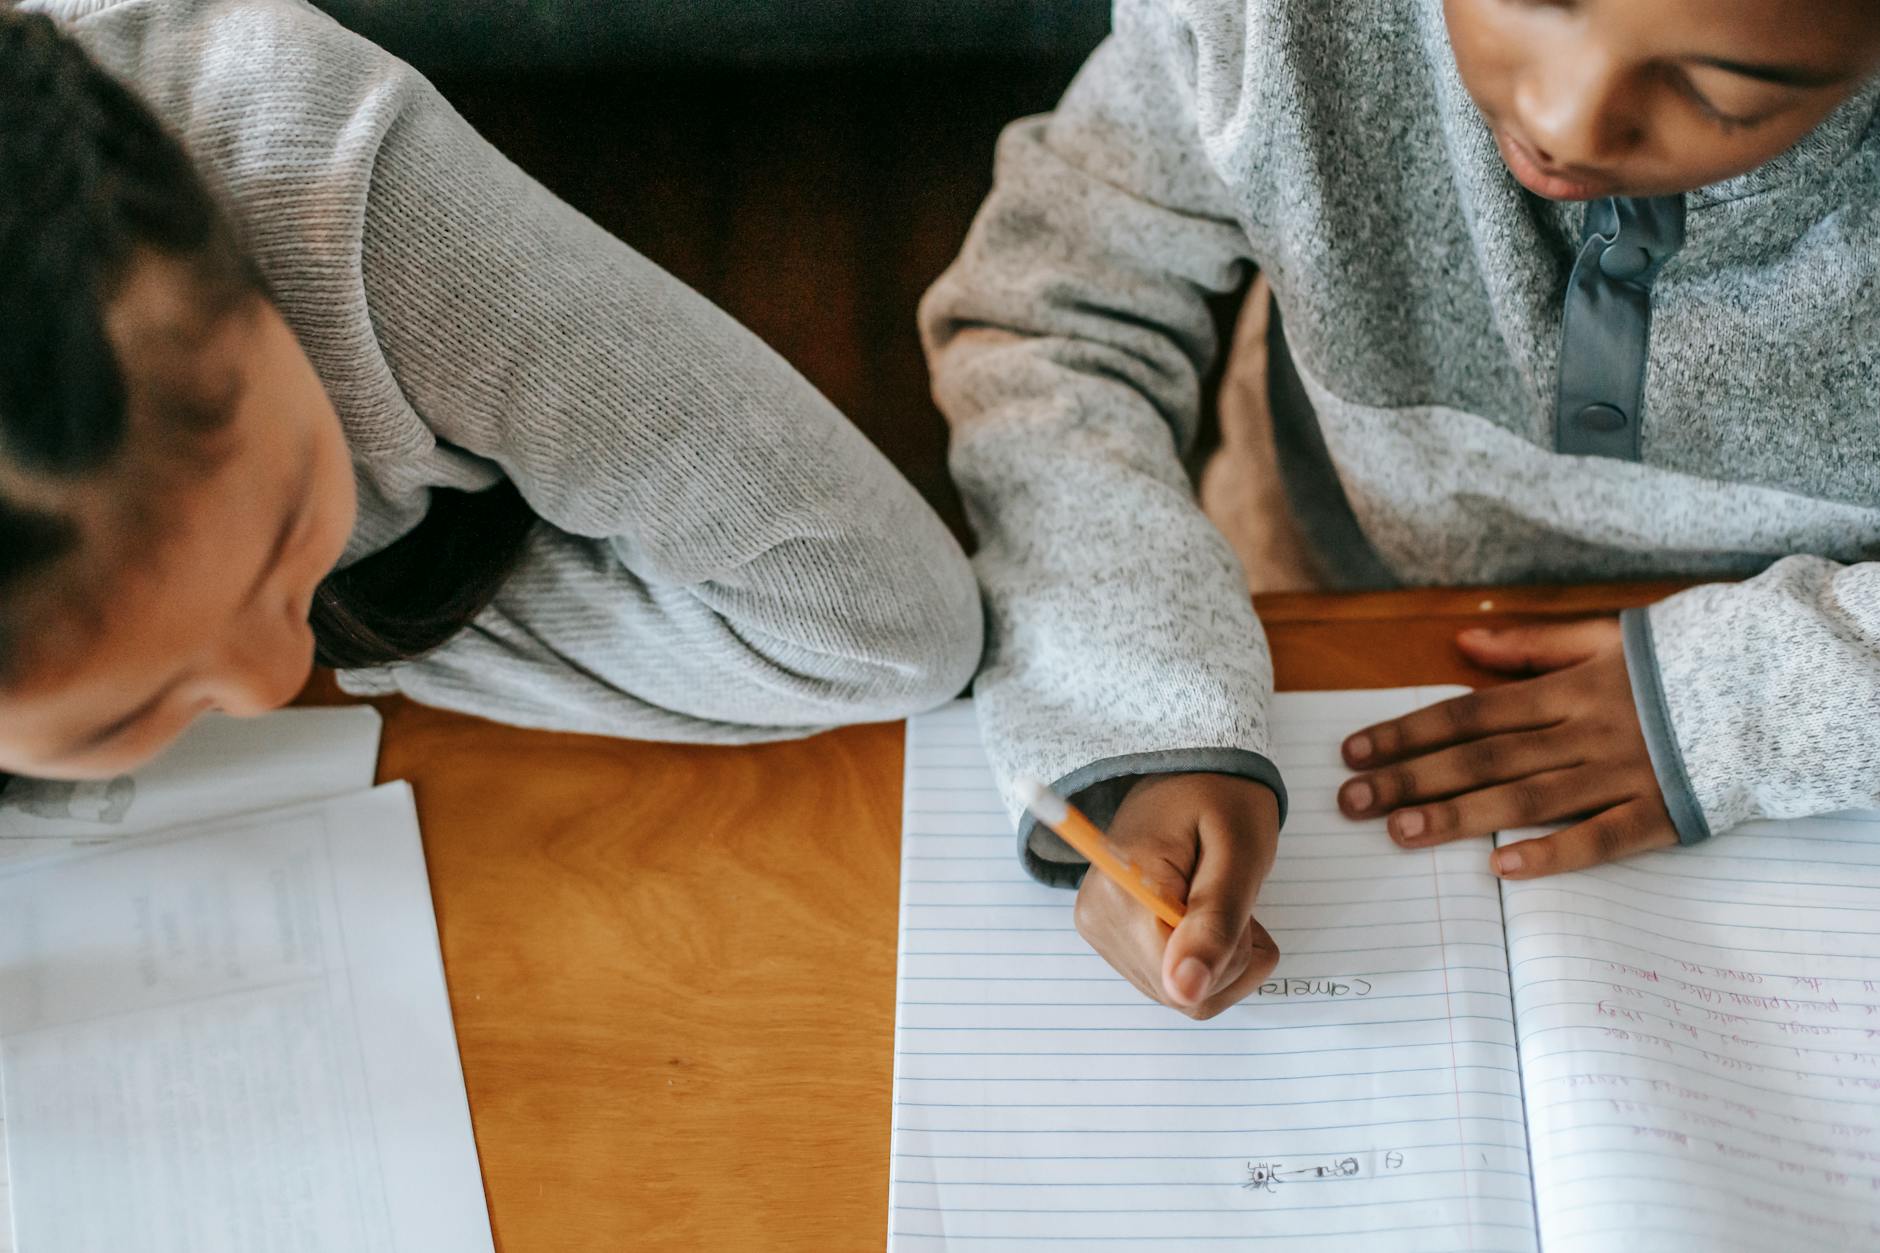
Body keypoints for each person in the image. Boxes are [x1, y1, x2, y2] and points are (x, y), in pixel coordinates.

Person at [922, 0, 1880, 1017]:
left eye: (1719, 87)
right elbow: (1053, 316)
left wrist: (1758, 696)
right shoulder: (1276, 23)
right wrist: (1137, 713)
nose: (1563, 119)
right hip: (1302, 596)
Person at [0, 0, 983, 785]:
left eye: (291, 517)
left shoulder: (315, 184)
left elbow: (889, 624)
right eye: (114, 719)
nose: (280, 679)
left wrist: (384, 642)